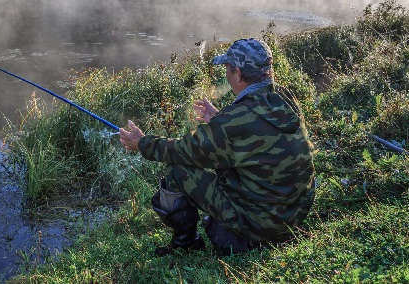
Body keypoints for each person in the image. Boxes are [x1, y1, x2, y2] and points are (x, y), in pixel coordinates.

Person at [119, 38, 315, 256]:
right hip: (295, 215)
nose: (227, 76)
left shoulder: (232, 122)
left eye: (228, 70)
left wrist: (141, 142)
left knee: (178, 171)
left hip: (262, 226)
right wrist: (220, 118)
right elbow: (254, 134)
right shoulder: (285, 98)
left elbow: (183, 151)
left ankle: (186, 244)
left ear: (238, 74)